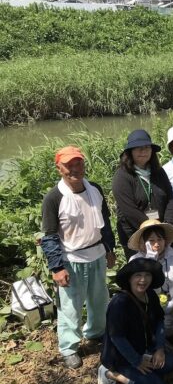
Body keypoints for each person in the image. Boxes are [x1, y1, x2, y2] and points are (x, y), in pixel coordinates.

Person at [41, 146, 116, 369]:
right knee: (71, 307)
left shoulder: (95, 189)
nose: (74, 169)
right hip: (71, 258)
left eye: (78, 163)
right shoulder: (54, 198)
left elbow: (105, 222)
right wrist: (57, 267)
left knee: (99, 299)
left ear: (84, 164)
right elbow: (50, 236)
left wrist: (109, 248)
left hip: (97, 254)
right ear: (59, 168)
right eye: (68, 165)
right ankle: (69, 347)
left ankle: (96, 332)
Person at [98, 258, 173, 384]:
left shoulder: (150, 295)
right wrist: (137, 361)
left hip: (144, 348)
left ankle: (142, 373)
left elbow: (159, 321)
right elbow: (117, 337)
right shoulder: (119, 303)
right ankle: (111, 374)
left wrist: (160, 349)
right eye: (138, 276)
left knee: (169, 364)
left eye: (147, 275)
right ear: (129, 279)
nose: (143, 280)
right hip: (122, 357)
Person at [112, 129, 173, 259]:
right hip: (136, 234)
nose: (144, 151)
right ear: (130, 152)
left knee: (165, 270)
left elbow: (170, 198)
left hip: (161, 234)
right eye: (139, 148)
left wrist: (166, 226)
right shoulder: (122, 176)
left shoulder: (158, 171)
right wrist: (151, 231)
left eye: (147, 147)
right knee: (143, 274)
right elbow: (128, 210)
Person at [127, 220, 173, 338]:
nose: (157, 244)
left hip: (171, 307)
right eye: (151, 240)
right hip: (145, 309)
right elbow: (138, 289)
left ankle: (164, 344)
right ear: (143, 243)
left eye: (160, 239)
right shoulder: (135, 260)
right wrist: (150, 261)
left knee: (164, 328)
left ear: (165, 240)